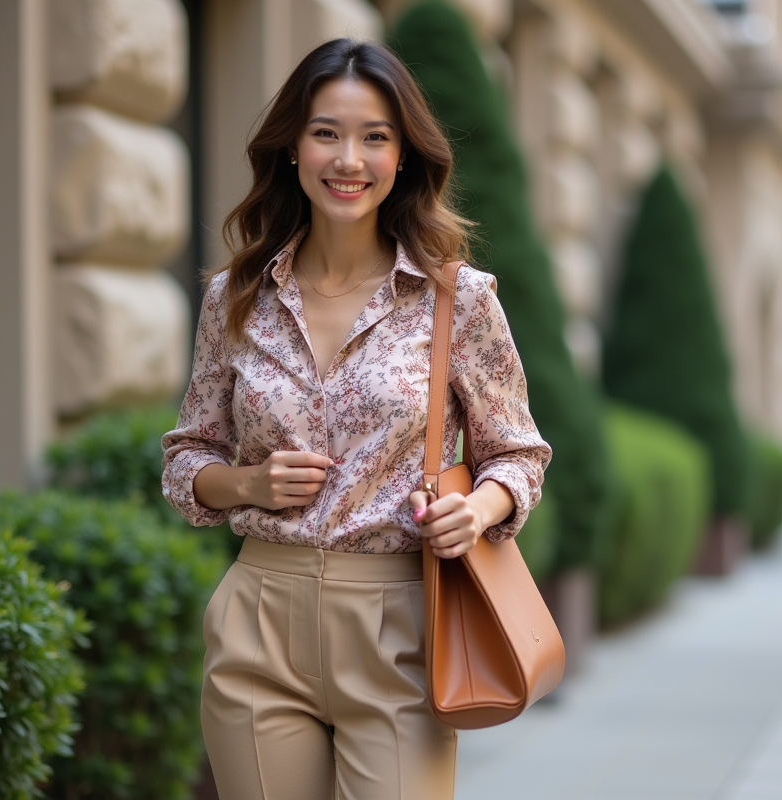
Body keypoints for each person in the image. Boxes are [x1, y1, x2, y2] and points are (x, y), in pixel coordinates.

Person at [161, 38, 551, 800]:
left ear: (404, 156)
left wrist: (475, 512)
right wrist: (246, 482)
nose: (350, 159)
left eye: (375, 137)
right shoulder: (235, 299)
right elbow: (185, 460)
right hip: (260, 620)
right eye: (326, 133)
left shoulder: (457, 299)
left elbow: (519, 453)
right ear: (293, 149)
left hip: (402, 621)